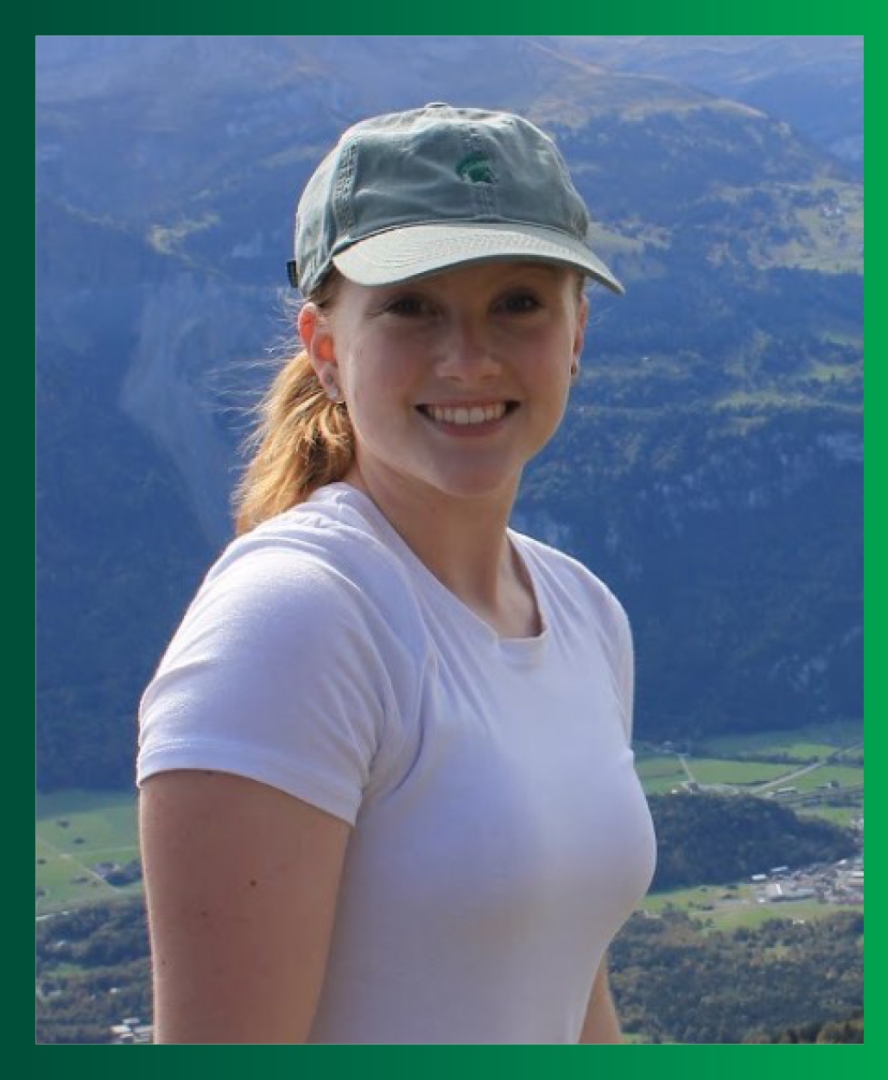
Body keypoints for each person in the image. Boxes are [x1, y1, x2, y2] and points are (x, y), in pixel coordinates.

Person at [137, 102, 657, 1045]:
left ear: (577, 335)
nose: (470, 358)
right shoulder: (295, 621)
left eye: (520, 302)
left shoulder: (583, 614)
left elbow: (568, 992)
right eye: (411, 306)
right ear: (326, 349)